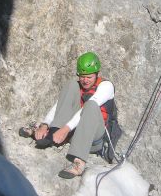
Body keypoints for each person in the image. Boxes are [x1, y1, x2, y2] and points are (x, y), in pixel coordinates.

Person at [19, 51, 115, 179]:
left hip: (93, 138)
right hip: (75, 132)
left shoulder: (106, 86)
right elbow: (60, 104)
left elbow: (89, 105)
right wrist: (45, 124)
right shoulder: (78, 85)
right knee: (71, 85)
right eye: (82, 76)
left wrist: (65, 129)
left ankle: (79, 162)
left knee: (90, 105)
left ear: (97, 74)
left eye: (89, 77)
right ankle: (51, 132)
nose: (85, 80)